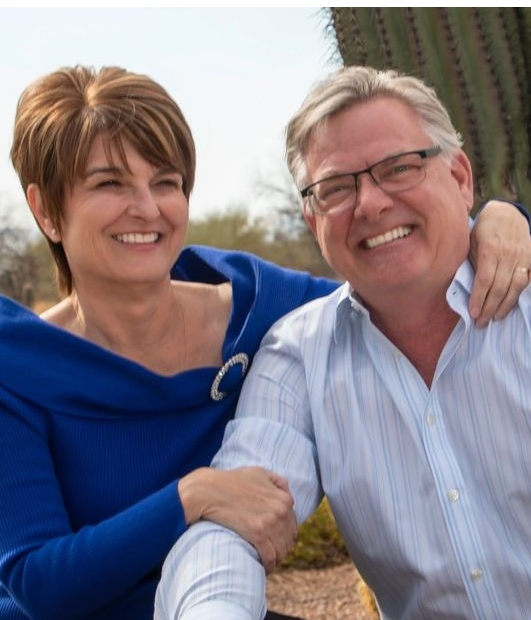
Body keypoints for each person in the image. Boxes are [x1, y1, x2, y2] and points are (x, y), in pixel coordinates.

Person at [0, 65, 527, 620]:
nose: (146, 208)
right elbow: (38, 583)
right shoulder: (17, 367)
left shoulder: (260, 311)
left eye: (166, 182)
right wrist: (192, 496)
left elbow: (390, 278)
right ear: (46, 211)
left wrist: (505, 220)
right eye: (110, 184)